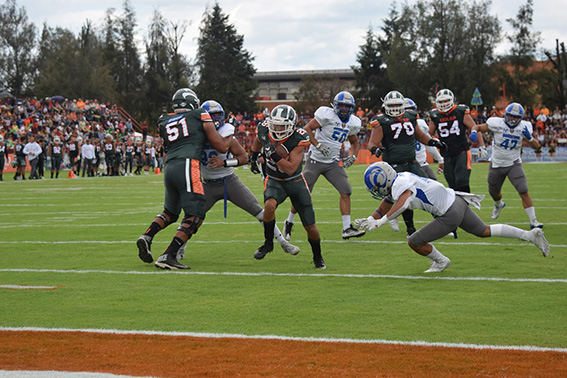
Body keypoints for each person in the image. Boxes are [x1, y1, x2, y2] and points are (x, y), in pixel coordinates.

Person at [354, 162, 550, 273]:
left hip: (449, 213)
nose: (377, 191)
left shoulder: (400, 186)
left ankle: (441, 261)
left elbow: (403, 203)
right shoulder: (401, 177)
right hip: (456, 200)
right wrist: (372, 218)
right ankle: (529, 235)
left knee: (414, 241)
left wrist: (381, 221)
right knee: (484, 231)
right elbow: (387, 202)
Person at [176, 100, 300, 260]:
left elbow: (244, 158)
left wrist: (224, 163)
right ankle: (179, 248)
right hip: (207, 185)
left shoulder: (226, 136)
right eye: (211, 115)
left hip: (229, 181)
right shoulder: (196, 138)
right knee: (191, 217)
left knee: (259, 211)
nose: (215, 119)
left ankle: (283, 243)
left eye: (218, 115)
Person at [136, 88, 230, 270]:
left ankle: (147, 236)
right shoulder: (200, 114)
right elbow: (220, 146)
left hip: (169, 167)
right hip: (188, 165)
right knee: (196, 215)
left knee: (170, 213)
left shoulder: (164, 120)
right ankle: (168, 255)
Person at [249, 104, 326, 269]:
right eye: (275, 124)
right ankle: (268, 243)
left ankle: (317, 256)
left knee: (310, 225)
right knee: (269, 206)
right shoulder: (264, 129)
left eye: (282, 126)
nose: (278, 128)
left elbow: (291, 169)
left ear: (292, 125)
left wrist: (272, 153)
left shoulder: (299, 137)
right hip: (274, 180)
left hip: (295, 182)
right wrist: (253, 157)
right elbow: (258, 139)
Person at [282, 91, 365, 241]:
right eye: (342, 106)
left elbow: (354, 142)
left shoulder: (353, 122)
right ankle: (289, 222)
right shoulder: (326, 115)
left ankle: (346, 229)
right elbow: (307, 129)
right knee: (302, 194)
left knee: (346, 190)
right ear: (335, 106)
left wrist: (353, 156)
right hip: (315, 160)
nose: (345, 110)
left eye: (348, 107)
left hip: (332, 162)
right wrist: (318, 145)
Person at [367, 90, 447, 236]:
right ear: (385, 105)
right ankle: (410, 229)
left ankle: (442, 223)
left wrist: (433, 142)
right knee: (404, 195)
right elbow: (372, 142)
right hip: (394, 166)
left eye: (398, 104)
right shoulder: (381, 122)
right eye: (392, 105)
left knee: (430, 189)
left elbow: (420, 135)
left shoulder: (410, 116)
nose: (395, 107)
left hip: (412, 162)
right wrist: (375, 149)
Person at [471, 102, 543, 229]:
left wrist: (530, 139)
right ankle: (499, 204)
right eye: (511, 116)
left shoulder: (524, 127)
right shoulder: (496, 123)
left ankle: (534, 221)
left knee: (523, 190)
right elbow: (477, 127)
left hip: (513, 164)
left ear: (520, 118)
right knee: (494, 192)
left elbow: (537, 147)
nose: (513, 119)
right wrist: (473, 132)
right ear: (505, 115)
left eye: (516, 117)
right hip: (496, 164)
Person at [428, 89, 486, 193]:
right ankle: (457, 207)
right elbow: (429, 134)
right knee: (452, 185)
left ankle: (465, 207)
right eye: (441, 102)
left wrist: (482, 146)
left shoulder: (460, 111)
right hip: (446, 154)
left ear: (452, 100)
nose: (443, 104)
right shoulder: (435, 115)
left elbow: (475, 128)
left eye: (446, 101)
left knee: (462, 181)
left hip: (462, 151)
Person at [405, 98, 444, 180]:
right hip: (408, 165)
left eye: (411, 110)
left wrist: (440, 159)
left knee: (434, 184)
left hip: (422, 164)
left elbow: (428, 145)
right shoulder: (420, 123)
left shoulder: (420, 124)